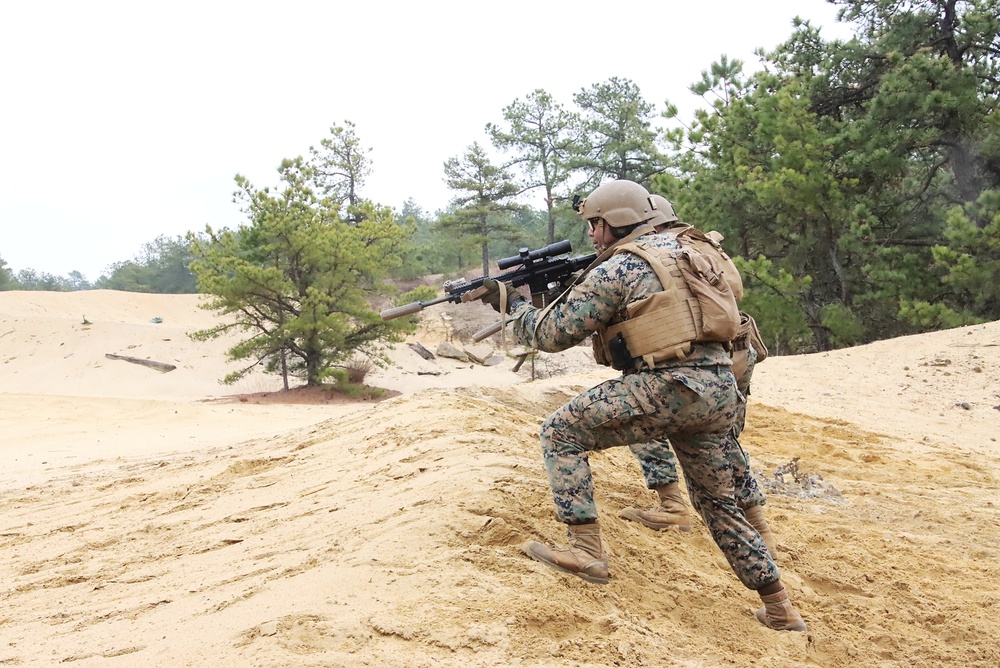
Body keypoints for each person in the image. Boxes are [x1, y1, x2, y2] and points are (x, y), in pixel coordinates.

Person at [481, 179, 807, 632]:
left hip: (670, 385)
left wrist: (513, 307)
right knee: (717, 505)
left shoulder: (619, 268)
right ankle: (780, 608)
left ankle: (586, 553)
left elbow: (551, 335)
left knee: (560, 432)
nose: (592, 234)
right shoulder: (684, 250)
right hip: (719, 389)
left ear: (614, 222)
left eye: (596, 224)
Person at [618, 195, 778, 559]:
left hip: (703, 361)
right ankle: (758, 525)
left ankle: (674, 504)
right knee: (723, 440)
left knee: (647, 416)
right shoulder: (703, 245)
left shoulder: (669, 253)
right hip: (734, 352)